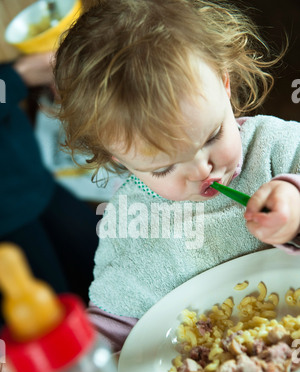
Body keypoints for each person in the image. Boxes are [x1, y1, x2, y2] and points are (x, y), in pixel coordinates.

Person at [53, 0, 300, 352]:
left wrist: (295, 207)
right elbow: (115, 326)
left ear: (225, 83)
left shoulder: (276, 147)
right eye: (164, 168)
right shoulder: (131, 223)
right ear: (120, 160)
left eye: (213, 136)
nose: (202, 169)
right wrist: (59, 357)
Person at [0, 52, 99, 317]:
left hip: (38, 186)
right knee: (57, 325)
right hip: (8, 229)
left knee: (113, 281)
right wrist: (15, 77)